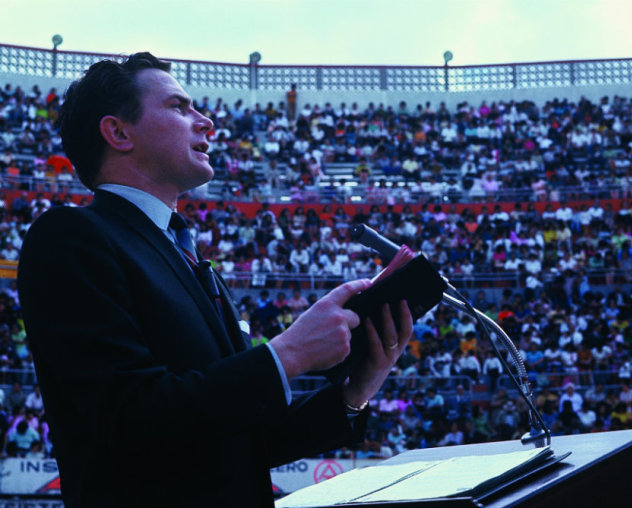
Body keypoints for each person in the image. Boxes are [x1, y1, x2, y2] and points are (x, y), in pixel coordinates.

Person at [17, 52, 413, 508]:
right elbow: (131, 420)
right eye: (178, 107)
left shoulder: (188, 256)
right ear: (118, 132)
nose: (206, 121)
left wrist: (356, 390)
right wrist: (288, 354)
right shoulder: (70, 238)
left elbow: (242, 440)